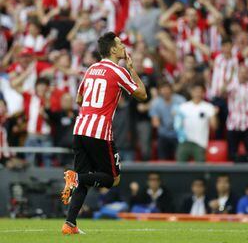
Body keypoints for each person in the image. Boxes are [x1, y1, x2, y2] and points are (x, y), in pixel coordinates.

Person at [60, 32, 147, 235]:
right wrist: (132, 69)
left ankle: (69, 223)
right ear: (113, 49)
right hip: (100, 132)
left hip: (80, 129)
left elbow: (79, 99)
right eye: (120, 43)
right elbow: (142, 95)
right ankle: (77, 179)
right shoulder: (119, 71)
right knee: (111, 179)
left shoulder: (91, 68)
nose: (123, 46)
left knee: (85, 176)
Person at [175, 83, 218, 162]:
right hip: (185, 142)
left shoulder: (209, 107)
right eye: (195, 91)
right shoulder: (183, 107)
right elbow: (177, 125)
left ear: (203, 93)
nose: (197, 94)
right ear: (191, 92)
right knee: (179, 169)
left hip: (200, 143)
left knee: (200, 170)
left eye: (200, 92)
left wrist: (214, 115)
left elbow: (214, 126)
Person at [150, 81, 185, 160]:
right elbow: (155, 122)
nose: (165, 92)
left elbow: (186, 116)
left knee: (179, 159)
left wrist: (178, 116)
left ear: (171, 90)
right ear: (160, 91)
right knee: (162, 159)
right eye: (163, 89)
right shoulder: (156, 103)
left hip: (179, 135)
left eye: (167, 89)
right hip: (163, 134)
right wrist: (158, 121)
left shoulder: (181, 100)